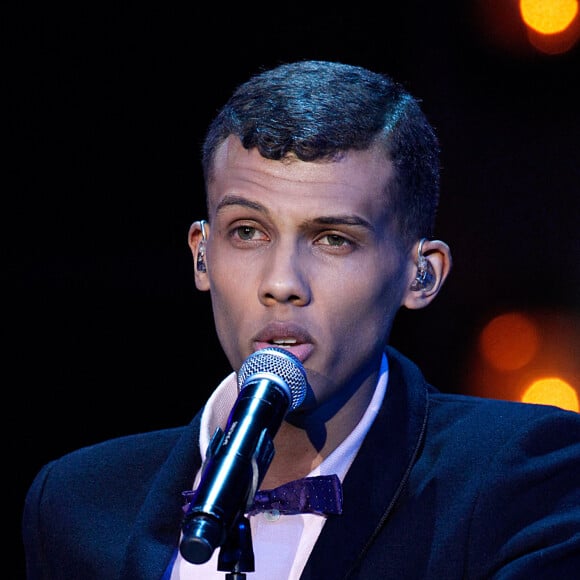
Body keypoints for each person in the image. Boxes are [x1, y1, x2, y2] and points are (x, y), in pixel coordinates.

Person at [22, 60, 580, 579]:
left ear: (421, 275)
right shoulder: (77, 502)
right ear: (201, 254)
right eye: (248, 232)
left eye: (333, 239)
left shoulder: (520, 478)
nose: (282, 282)